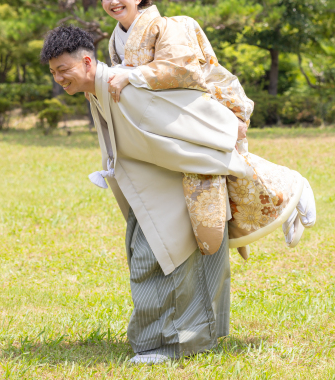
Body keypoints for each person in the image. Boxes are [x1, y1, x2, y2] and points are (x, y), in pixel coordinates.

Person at [42, 27, 251, 364]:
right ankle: (193, 339)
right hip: (151, 187)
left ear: (85, 61)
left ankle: (159, 346)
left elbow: (180, 112)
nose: (59, 79)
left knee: (153, 263)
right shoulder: (98, 90)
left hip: (176, 187)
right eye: (53, 73)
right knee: (158, 260)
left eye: (63, 70)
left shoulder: (124, 85)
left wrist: (229, 128)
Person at [97, 0, 316, 257]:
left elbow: (182, 68)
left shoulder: (163, 26)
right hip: (165, 120)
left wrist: (131, 75)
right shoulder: (117, 38)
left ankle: (290, 185)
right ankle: (283, 201)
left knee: (222, 165)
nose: (113, 2)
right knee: (222, 174)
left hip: (193, 112)